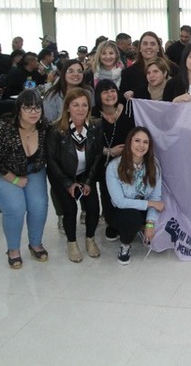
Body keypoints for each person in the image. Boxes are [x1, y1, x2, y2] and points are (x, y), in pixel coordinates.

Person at [0, 90, 50, 269]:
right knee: (15, 207)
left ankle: (35, 244)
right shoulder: (4, 128)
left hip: (31, 168)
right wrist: (14, 180)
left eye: (37, 107)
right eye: (28, 108)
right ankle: (13, 249)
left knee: (39, 205)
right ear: (18, 110)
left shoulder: (45, 128)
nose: (33, 112)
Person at [46, 88, 101, 263]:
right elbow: (52, 161)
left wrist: (87, 181)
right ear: (68, 107)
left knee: (93, 208)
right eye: (75, 105)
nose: (80, 109)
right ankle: (72, 243)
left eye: (84, 105)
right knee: (70, 210)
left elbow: (98, 156)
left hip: (85, 175)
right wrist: (69, 184)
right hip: (62, 177)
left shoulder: (95, 126)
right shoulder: (55, 129)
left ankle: (90, 238)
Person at [105, 127, 165, 265]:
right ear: (129, 142)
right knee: (132, 218)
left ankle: (140, 227)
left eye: (145, 142)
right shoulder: (114, 167)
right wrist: (150, 204)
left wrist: (150, 223)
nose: (141, 145)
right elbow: (120, 202)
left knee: (163, 220)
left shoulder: (154, 166)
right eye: (137, 140)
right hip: (119, 210)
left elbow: (155, 196)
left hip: (142, 208)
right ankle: (125, 245)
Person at [93, 80, 135, 242]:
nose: (110, 95)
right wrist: (109, 151)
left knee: (128, 191)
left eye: (112, 91)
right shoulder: (93, 114)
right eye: (105, 92)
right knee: (107, 193)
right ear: (98, 96)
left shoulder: (128, 108)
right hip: (103, 162)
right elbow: (89, 144)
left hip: (128, 160)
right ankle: (112, 222)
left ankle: (128, 220)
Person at [120, 31, 176, 99]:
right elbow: (122, 99)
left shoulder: (173, 68)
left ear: (158, 47)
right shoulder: (128, 73)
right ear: (140, 48)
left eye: (152, 44)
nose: (148, 47)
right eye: (145, 44)